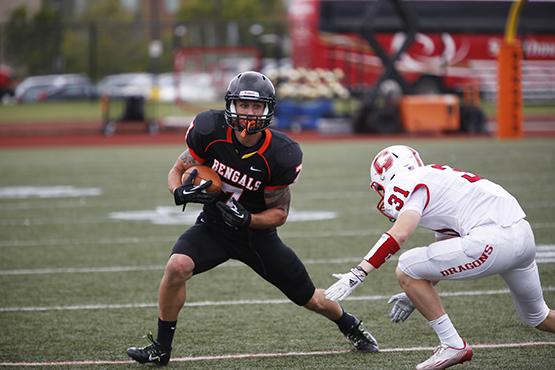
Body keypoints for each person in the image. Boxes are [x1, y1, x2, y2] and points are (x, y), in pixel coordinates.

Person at [126, 71, 378, 366]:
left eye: (256, 107)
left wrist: (247, 219)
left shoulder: (280, 153)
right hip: (215, 227)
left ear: (268, 109)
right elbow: (177, 169)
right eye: (243, 105)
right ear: (231, 105)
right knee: (176, 266)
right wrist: (179, 191)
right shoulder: (210, 129)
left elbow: (279, 213)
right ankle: (161, 348)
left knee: (311, 298)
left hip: (256, 236)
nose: (249, 113)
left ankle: (350, 326)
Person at [325, 145, 554, 370]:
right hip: (522, 236)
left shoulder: (405, 182)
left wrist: (359, 272)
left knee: (406, 266)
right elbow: (445, 246)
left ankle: (452, 345)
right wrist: (416, 293)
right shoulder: (436, 178)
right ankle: (451, 344)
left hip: (493, 239)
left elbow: (400, 234)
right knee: (538, 317)